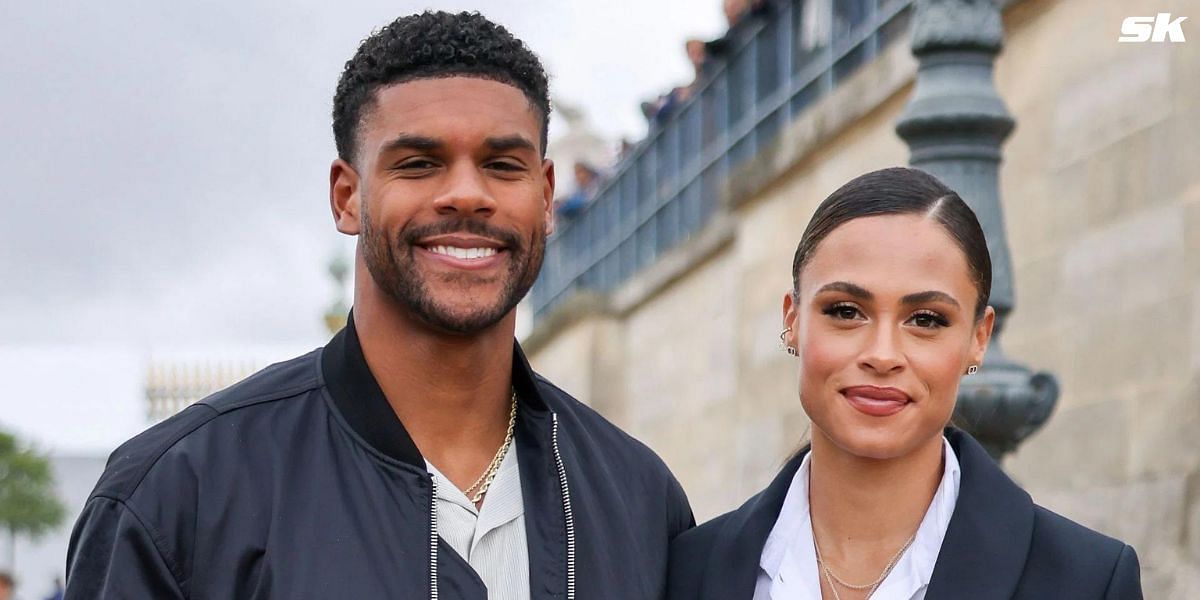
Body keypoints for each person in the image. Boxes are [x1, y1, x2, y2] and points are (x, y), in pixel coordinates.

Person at [65, 11, 692, 599]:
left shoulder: (639, 498)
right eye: (419, 164)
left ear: (547, 195)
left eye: (503, 165)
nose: (468, 194)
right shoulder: (182, 492)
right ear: (347, 197)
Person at [667, 167, 1142, 599]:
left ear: (979, 338)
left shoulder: (1087, 581)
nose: (882, 355)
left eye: (926, 319)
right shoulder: (686, 571)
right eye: (845, 311)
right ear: (792, 320)